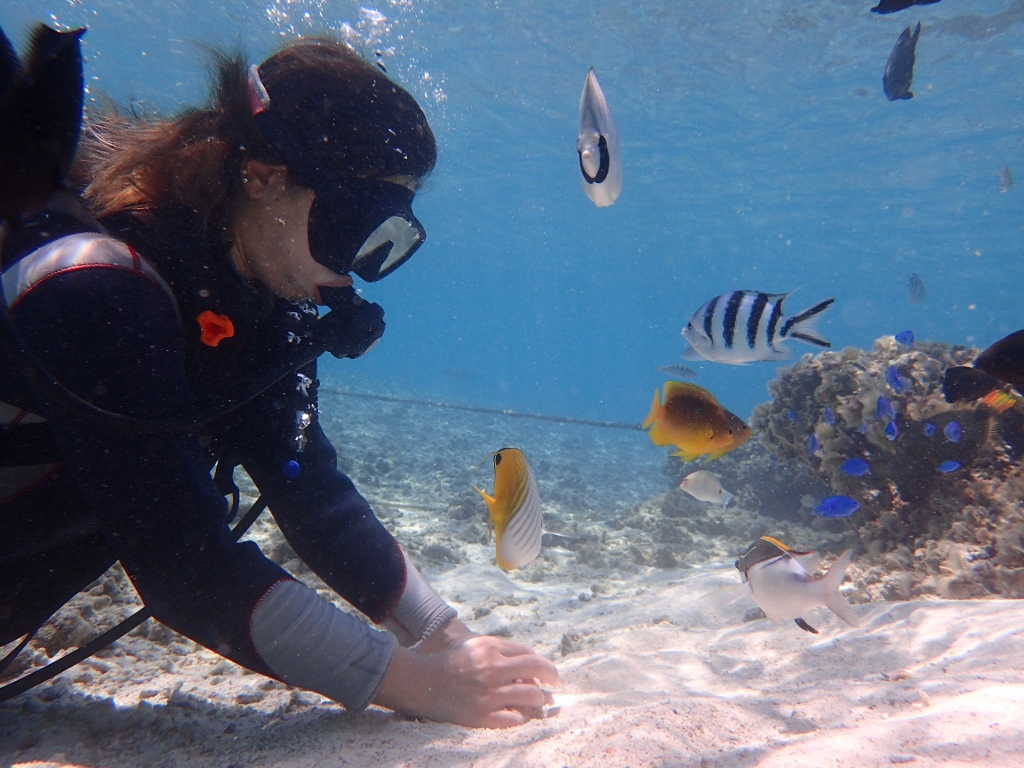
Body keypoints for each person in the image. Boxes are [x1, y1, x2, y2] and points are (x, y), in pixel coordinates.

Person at [0, 35, 558, 728]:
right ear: (263, 178)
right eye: (353, 225)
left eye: (389, 237)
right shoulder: (96, 286)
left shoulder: (259, 302)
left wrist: (443, 635)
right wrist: (415, 683)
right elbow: (185, 567)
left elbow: (307, 486)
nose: (354, 268)